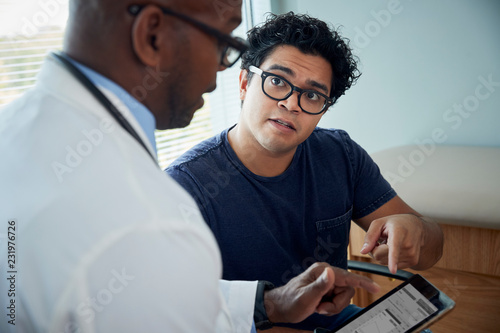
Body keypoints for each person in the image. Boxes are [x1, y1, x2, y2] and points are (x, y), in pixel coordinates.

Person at [0, 2, 380, 333]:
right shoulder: (153, 213)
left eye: (311, 95)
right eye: (223, 40)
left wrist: (271, 303)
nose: (220, 71)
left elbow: (149, 295)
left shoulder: (14, 131)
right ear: (152, 35)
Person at [166, 12, 444, 331]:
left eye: (312, 95)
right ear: (244, 83)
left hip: (334, 323)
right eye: (278, 81)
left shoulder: (341, 155)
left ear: (323, 109)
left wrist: (416, 232)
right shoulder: (184, 186)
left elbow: (432, 248)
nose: (291, 103)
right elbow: (174, 312)